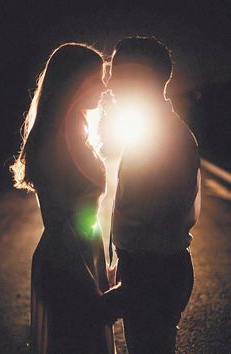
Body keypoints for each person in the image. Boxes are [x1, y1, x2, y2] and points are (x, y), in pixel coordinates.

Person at [10, 43, 115, 354]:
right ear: (74, 81)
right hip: (67, 262)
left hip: (81, 256)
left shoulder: (76, 131)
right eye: (97, 77)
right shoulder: (56, 139)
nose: (104, 86)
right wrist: (88, 286)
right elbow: (58, 222)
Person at [109, 36, 201, 353]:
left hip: (154, 273)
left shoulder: (166, 138)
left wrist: (133, 284)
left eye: (117, 71)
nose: (109, 83)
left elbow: (158, 221)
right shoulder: (153, 130)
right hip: (148, 268)